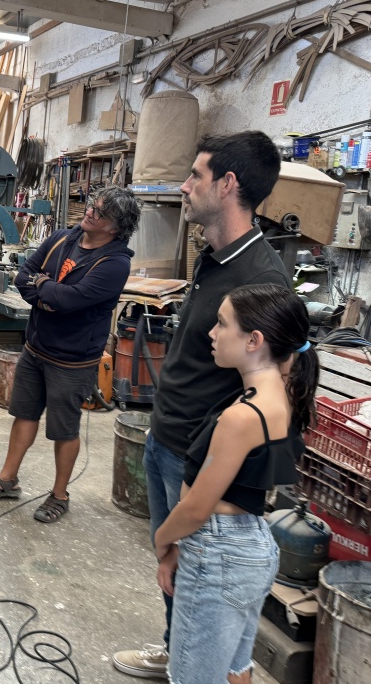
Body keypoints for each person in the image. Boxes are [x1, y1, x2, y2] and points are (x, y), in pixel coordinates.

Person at [113, 131, 290, 679]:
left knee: (196, 570)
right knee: (177, 575)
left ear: (228, 185)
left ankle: (193, 659)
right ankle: (180, 647)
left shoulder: (262, 278)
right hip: (167, 441)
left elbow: (280, 374)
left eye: (195, 175)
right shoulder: (213, 259)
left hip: (204, 462)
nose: (185, 186)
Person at [154, 283, 314, 684]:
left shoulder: (243, 416)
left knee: (192, 674)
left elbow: (195, 507)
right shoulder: (286, 390)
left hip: (218, 552)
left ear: (254, 340)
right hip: (252, 546)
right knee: (234, 667)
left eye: (222, 324)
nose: (212, 333)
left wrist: (163, 541)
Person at [0, 186, 141, 522]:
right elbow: (23, 278)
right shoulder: (64, 238)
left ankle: (59, 494)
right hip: (36, 348)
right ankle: (7, 479)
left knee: (65, 429)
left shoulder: (115, 263)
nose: (90, 211)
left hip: (73, 360)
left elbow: (70, 300)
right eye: (93, 204)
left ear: (114, 227)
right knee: (24, 415)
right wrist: (49, 293)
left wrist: (45, 289)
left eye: (100, 211)